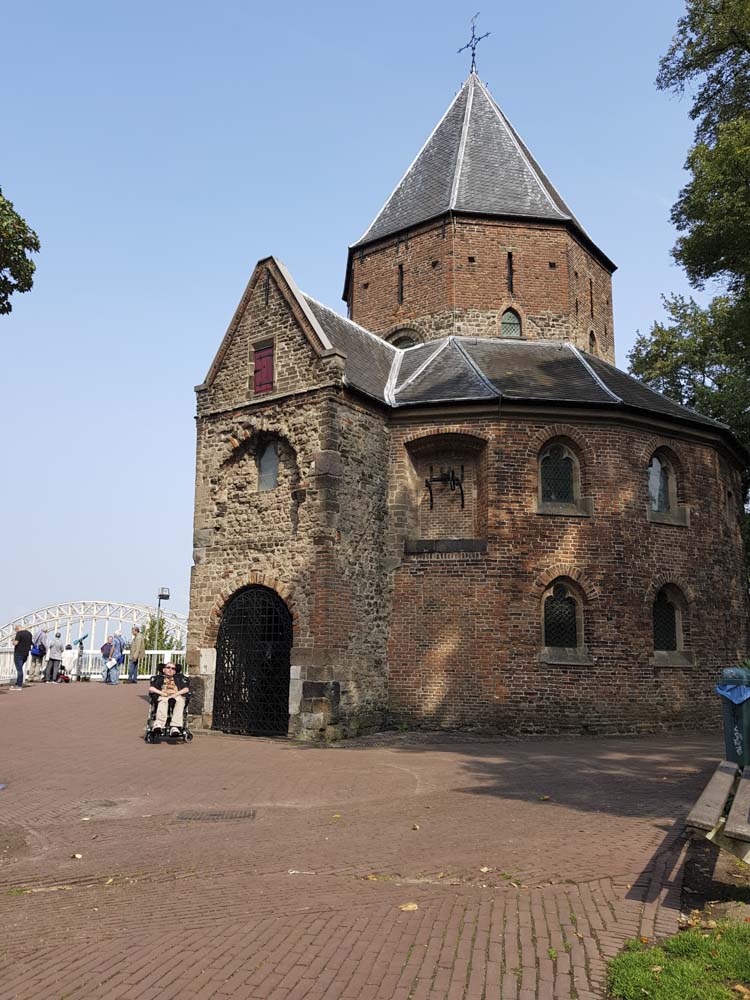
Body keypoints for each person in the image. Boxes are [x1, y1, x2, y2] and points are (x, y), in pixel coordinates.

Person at [148, 662, 190, 737]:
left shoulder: (180, 678)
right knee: (163, 700)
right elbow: (151, 688)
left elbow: (186, 689)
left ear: (175, 671)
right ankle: (158, 724)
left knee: (180, 701)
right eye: (168, 667)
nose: (170, 669)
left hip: (176, 695)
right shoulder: (158, 678)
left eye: (173, 668)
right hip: (163, 695)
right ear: (164, 670)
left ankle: (175, 727)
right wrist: (161, 693)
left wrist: (176, 694)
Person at [12, 625, 32, 689]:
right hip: (26, 654)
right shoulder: (29, 634)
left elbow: (16, 643)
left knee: (19, 670)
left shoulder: (19, 633)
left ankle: (19, 685)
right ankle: (18, 683)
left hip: (18, 653)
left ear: (17, 629)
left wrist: (13, 640)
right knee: (20, 668)